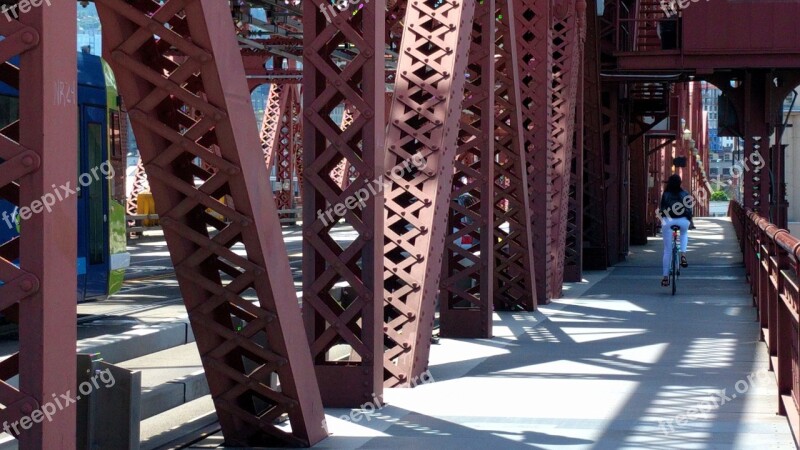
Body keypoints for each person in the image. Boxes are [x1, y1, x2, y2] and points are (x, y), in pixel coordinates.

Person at [658, 174, 694, 287]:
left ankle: (665, 278)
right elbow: (689, 209)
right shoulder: (685, 193)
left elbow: (661, 209)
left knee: (667, 250)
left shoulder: (666, 194)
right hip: (683, 221)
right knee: (684, 233)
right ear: (680, 183)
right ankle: (683, 254)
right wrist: (689, 220)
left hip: (668, 221)